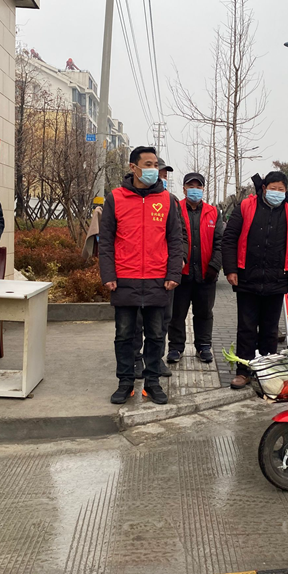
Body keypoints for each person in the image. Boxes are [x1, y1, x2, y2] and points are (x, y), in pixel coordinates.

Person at [99, 146, 183, 405]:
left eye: (155, 165)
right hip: (125, 278)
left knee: (156, 335)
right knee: (124, 335)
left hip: (158, 280)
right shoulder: (116, 198)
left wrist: (173, 273)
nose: (153, 170)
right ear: (133, 167)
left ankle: (152, 383)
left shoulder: (167, 200)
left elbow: (175, 239)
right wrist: (108, 274)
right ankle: (125, 383)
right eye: (148, 165)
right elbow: (106, 240)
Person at [222, 171, 288, 390]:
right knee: (246, 328)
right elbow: (229, 239)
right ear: (264, 188)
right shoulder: (246, 207)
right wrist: (230, 269)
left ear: (285, 191)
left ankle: (267, 372)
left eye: (281, 189)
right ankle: (244, 371)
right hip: (247, 278)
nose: (277, 192)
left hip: (276, 280)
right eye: (273, 188)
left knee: (270, 330)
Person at [167, 172, 223, 364]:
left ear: (203, 189)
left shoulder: (213, 212)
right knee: (177, 314)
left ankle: (203, 346)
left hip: (206, 275)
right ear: (184, 189)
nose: (195, 190)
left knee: (204, 313)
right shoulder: (175, 209)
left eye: (198, 187)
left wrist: (215, 265)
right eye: (191, 186)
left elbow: (220, 242)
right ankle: (175, 347)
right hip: (180, 275)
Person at [131, 157, 179, 378]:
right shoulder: (126, 198)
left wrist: (176, 265)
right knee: (135, 322)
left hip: (162, 273)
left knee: (161, 321)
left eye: (164, 175)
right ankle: (135, 360)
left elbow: (178, 236)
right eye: (158, 173)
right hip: (134, 273)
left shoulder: (170, 200)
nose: (161, 177)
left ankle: (156, 359)